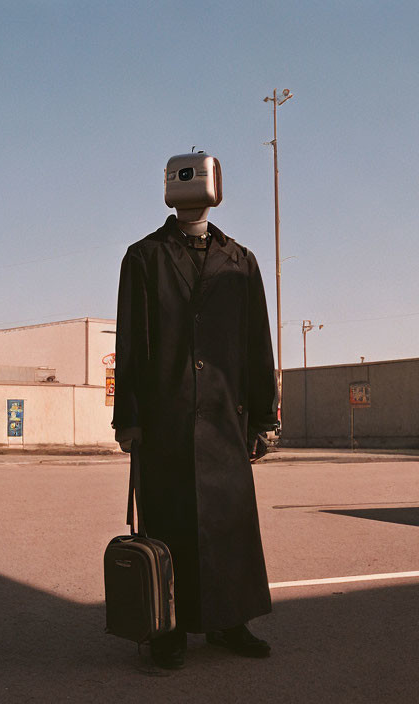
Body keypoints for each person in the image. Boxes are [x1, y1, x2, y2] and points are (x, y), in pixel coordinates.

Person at [113, 152, 277, 670]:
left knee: (229, 521)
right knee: (170, 519)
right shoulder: (144, 258)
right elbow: (132, 345)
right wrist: (129, 419)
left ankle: (231, 621)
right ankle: (169, 627)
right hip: (167, 416)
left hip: (225, 416)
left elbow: (257, 343)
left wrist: (264, 418)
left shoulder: (240, 261)